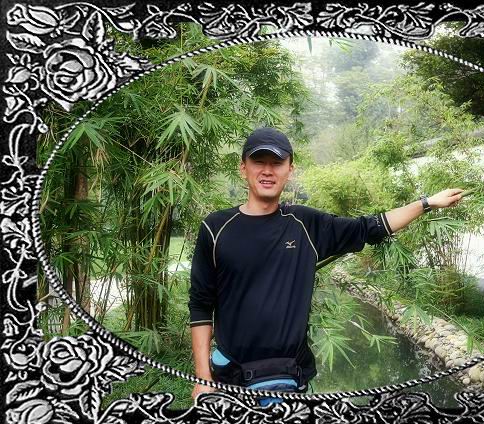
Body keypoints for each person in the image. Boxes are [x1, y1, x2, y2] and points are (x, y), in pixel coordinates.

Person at [189, 127, 463, 403]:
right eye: (259, 162)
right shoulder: (215, 228)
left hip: (287, 378)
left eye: (277, 163)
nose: (268, 171)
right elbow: (201, 305)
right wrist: (202, 378)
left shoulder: (305, 224)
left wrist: (427, 203)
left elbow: (369, 227)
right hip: (229, 377)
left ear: (290, 170)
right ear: (243, 168)